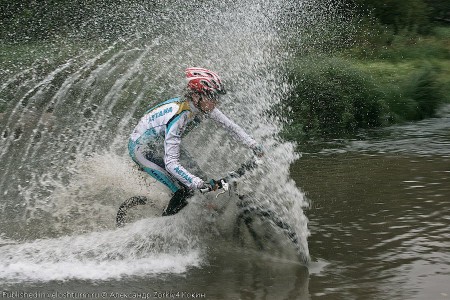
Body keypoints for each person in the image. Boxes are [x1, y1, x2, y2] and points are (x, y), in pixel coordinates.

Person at [128, 67, 263, 216]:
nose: (215, 102)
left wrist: (254, 145)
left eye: (216, 97)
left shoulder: (202, 106)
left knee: (201, 178)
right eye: (212, 96)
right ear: (195, 95)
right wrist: (197, 183)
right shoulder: (179, 116)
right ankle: (160, 227)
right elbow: (171, 163)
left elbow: (230, 127)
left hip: (161, 143)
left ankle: (204, 210)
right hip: (142, 150)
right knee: (185, 189)